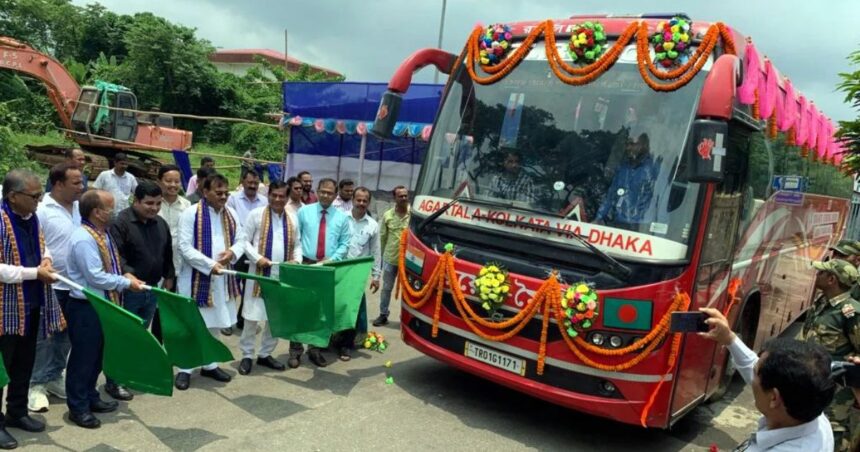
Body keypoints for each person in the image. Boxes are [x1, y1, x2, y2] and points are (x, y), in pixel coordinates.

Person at [699, 307, 835, 451]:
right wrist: (730, 338)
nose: (751, 376)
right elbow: (756, 368)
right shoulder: (813, 411)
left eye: (755, 373)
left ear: (774, 398)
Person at [66, 190, 144, 429]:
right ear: (97, 212)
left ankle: (91, 397)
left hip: (104, 303)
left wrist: (125, 275)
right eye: (111, 208)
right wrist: (125, 283)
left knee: (97, 356)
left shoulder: (102, 233)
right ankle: (78, 407)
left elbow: (112, 266)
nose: (115, 212)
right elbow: (96, 277)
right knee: (83, 359)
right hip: (86, 306)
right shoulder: (84, 238)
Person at [0, 170, 62, 448]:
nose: (39, 201)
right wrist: (34, 273)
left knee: (24, 364)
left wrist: (46, 261)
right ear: (13, 196)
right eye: (34, 196)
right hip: (5, 309)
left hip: (31, 303)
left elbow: (43, 245)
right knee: (1, 368)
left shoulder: (31, 217)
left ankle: (17, 412)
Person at [175, 174, 245, 390]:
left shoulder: (231, 214)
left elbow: (242, 239)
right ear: (205, 192)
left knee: (214, 323)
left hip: (221, 280)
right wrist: (209, 265)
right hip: (196, 278)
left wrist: (232, 252)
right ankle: (185, 368)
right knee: (192, 325)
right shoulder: (190, 213)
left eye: (226, 193)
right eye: (218, 192)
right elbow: (184, 247)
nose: (223, 197)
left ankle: (209, 364)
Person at [107, 181, 174, 401]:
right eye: (149, 203)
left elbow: (167, 253)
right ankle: (114, 381)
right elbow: (116, 255)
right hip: (128, 291)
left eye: (158, 203)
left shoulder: (161, 223)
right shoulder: (121, 223)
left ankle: (131, 373)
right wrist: (127, 274)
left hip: (152, 289)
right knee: (123, 336)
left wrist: (169, 277)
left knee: (139, 335)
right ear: (136, 201)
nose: (154, 208)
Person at [28, 163, 83, 413]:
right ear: (59, 184)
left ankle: (54, 376)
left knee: (66, 336)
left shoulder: (81, 209)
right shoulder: (42, 210)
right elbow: (37, 245)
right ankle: (36, 384)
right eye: (76, 183)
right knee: (45, 337)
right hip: (50, 284)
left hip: (76, 284)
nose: (81, 187)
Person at [238, 181, 301, 375]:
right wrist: (257, 258)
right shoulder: (256, 215)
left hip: (281, 275)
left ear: (287, 197)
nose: (277, 199)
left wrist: (296, 260)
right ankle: (247, 355)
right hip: (258, 273)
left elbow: (297, 244)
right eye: (274, 195)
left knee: (275, 318)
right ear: (269, 195)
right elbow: (243, 241)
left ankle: (265, 354)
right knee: (252, 318)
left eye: (282, 196)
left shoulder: (292, 218)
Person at [291, 178, 351, 368]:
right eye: (323, 191)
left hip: (327, 268)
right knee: (300, 309)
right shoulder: (304, 212)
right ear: (317, 191)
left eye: (330, 192)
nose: (325, 195)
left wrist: (333, 259)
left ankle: (315, 349)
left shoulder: (341, 218)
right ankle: (295, 351)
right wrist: (297, 260)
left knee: (321, 311)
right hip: (305, 265)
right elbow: (296, 238)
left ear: (335, 195)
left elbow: (345, 244)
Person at [802, 259, 860, 450]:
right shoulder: (822, 302)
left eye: (821, 272)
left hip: (837, 391)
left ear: (832, 279)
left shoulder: (850, 313)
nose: (817, 274)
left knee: (833, 434)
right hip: (813, 381)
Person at [339, 187, 381, 360]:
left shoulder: (373, 225)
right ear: (353, 200)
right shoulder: (341, 218)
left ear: (368, 202)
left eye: (365, 200)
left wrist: (376, 276)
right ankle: (331, 339)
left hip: (357, 272)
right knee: (336, 306)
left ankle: (346, 345)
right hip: (338, 269)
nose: (361, 203)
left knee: (352, 309)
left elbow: (376, 252)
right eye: (358, 200)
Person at [224, 169, 268, 335]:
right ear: (242, 182)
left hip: (255, 252)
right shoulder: (233, 199)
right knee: (231, 286)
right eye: (250, 182)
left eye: (256, 183)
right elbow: (229, 222)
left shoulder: (264, 201)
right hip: (236, 249)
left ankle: (242, 319)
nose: (252, 186)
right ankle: (227, 321)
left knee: (249, 287)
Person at [594, 133, 658, 228]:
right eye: (627, 144)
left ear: (643, 145)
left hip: (639, 226)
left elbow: (651, 202)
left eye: (632, 144)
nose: (628, 148)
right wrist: (599, 217)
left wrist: (637, 222)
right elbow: (611, 195)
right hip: (617, 222)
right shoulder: (623, 168)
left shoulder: (651, 170)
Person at [373, 186, 410, 327]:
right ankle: (383, 315)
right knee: (387, 288)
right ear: (394, 198)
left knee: (408, 291)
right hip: (390, 259)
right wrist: (379, 261)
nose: (404, 198)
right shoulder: (387, 215)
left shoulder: (413, 215)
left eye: (405, 195)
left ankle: (407, 318)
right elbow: (382, 238)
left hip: (408, 261)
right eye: (400, 196)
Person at [157, 164, 191, 288]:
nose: (173, 185)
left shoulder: (187, 205)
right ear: (159, 181)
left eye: (177, 181)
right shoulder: (153, 204)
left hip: (179, 261)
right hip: (157, 260)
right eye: (168, 181)